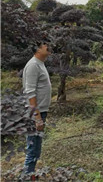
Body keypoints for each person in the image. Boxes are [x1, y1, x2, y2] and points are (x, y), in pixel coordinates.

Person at [20, 39, 52, 181]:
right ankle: (26, 177)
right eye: (46, 46)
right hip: (34, 113)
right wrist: (37, 117)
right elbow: (30, 92)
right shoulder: (33, 65)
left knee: (36, 149)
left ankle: (30, 175)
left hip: (40, 111)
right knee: (33, 149)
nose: (49, 48)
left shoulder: (40, 64)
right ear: (38, 49)